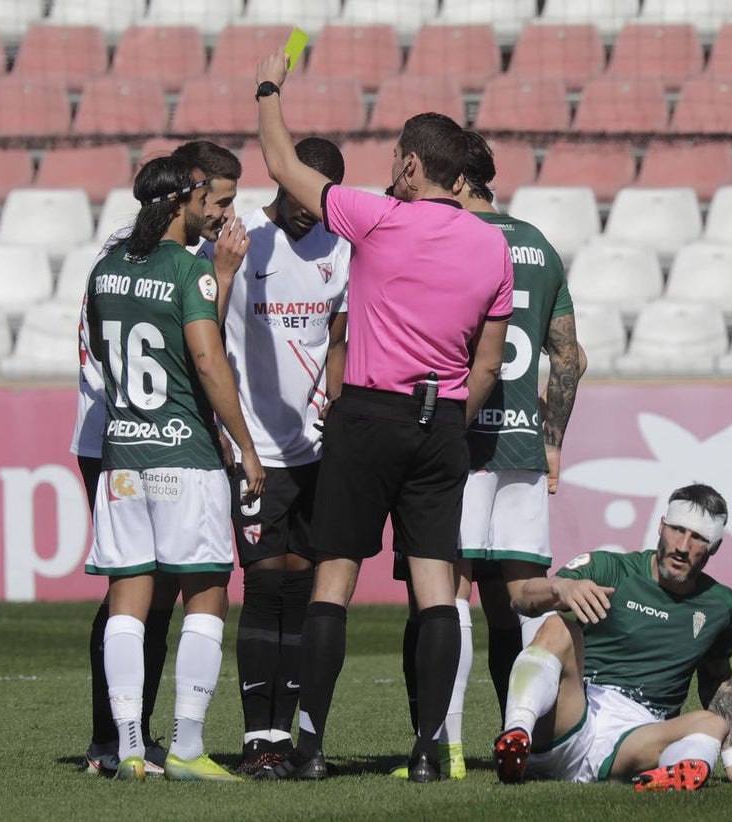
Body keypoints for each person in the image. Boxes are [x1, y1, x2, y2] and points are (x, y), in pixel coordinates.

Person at [251, 51, 514, 782]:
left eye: (396, 158)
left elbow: (281, 164)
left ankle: (309, 749)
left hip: (367, 416)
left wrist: (269, 87)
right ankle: (428, 751)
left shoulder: (376, 217)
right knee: (436, 590)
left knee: (333, 581)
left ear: (409, 167)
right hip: (443, 422)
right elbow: (488, 364)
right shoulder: (493, 245)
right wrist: (450, 419)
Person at [395, 130, 584, 779]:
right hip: (524, 446)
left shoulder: (450, 237)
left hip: (462, 441)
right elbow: (570, 358)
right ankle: (529, 740)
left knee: (449, 593)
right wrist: (552, 442)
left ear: (456, 178)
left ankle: (444, 747)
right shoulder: (538, 245)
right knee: (527, 598)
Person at [84, 155, 264, 782]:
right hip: (184, 457)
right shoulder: (193, 272)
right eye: (211, 199)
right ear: (184, 199)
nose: (218, 211)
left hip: (122, 459)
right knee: (206, 599)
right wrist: (245, 444)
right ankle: (187, 746)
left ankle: (130, 746)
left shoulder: (104, 269)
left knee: (127, 605)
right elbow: (208, 363)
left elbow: (101, 352)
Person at [492, 483, 732, 790]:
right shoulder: (611, 569)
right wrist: (559, 588)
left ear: (714, 547)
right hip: (575, 715)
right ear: (661, 526)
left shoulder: (722, 606)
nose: (682, 546)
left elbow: (717, 677)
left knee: (713, 724)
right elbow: (520, 599)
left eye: (698, 537)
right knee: (558, 628)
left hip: (638, 737)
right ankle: (516, 735)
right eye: (677, 529)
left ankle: (670, 774)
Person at [215, 137, 351, 774]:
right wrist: (228, 431)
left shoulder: (339, 247)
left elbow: (338, 338)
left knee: (302, 591)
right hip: (257, 450)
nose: (308, 209)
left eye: (319, 200)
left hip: (315, 452)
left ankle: (286, 737)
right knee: (264, 585)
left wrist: (337, 400)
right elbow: (207, 332)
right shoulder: (242, 242)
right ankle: (256, 739)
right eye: (300, 194)